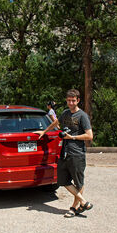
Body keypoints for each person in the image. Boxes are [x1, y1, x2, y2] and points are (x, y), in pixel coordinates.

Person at [34, 89, 93, 218]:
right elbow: (56, 122)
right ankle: (83, 201)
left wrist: (72, 137)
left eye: (73, 100)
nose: (70, 102)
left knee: (79, 182)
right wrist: (44, 132)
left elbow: (89, 136)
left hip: (77, 153)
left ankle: (74, 208)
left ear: (78, 101)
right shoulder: (65, 113)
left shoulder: (82, 116)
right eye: (68, 100)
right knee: (62, 180)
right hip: (64, 152)